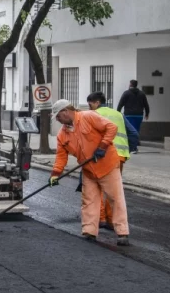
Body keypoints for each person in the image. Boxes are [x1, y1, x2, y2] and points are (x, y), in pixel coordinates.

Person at [49, 99, 130, 246]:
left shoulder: (88, 116)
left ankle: (122, 232)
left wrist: (103, 146)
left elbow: (111, 127)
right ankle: (89, 231)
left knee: (115, 199)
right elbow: (61, 156)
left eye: (58, 116)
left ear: (65, 111)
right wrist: (55, 174)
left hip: (107, 166)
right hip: (88, 170)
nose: (58, 120)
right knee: (89, 201)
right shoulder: (63, 134)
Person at [84, 92, 139, 230]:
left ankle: (100, 218)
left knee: (98, 187)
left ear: (96, 102)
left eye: (90, 104)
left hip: (100, 156)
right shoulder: (118, 114)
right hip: (119, 156)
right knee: (114, 189)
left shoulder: (93, 115)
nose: (89, 107)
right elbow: (134, 133)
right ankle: (110, 220)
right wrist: (128, 149)